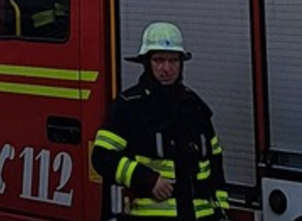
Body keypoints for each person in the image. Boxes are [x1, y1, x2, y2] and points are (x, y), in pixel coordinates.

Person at [92, 22, 229, 221]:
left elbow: (215, 164)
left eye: (173, 60)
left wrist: (221, 212)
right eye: (159, 60)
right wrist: (147, 180)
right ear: (147, 63)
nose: (167, 68)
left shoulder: (195, 106)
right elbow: (102, 157)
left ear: (182, 63)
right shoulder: (129, 106)